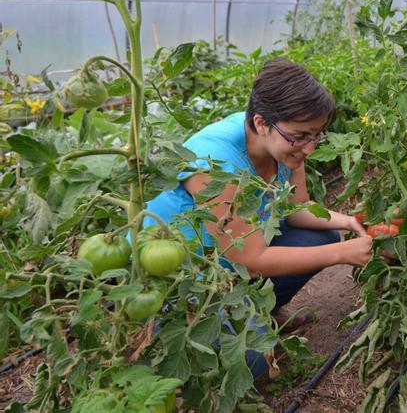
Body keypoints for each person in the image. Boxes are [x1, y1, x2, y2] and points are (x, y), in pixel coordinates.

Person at [142, 58, 373, 331]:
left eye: (316, 135)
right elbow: (250, 261)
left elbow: (297, 208)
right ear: (261, 123)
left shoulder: (282, 142)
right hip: (183, 276)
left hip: (228, 261)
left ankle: (264, 312)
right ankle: (179, 325)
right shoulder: (215, 160)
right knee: (254, 359)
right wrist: (342, 253)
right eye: (301, 136)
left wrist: (348, 222)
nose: (310, 148)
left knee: (321, 236)